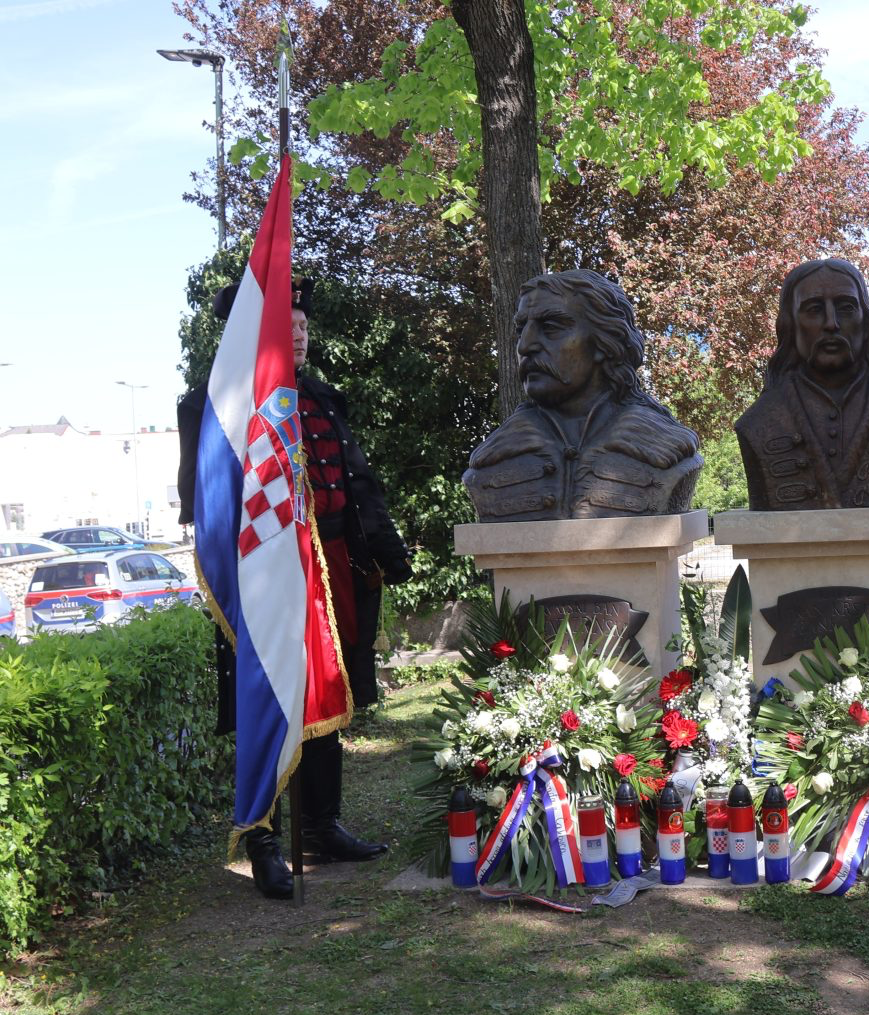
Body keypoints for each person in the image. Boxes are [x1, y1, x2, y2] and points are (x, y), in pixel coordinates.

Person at [178, 276, 413, 898]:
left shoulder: (324, 398)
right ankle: (263, 841)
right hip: (262, 576)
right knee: (265, 702)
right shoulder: (214, 406)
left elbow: (357, 484)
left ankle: (321, 826)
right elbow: (199, 502)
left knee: (327, 690)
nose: (301, 335)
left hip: (330, 565)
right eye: (289, 326)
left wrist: (388, 551)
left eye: (305, 325)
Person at [463, 270, 703, 521]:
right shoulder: (493, 461)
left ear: (605, 341)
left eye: (551, 327)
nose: (525, 346)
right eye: (521, 329)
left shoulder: (664, 448)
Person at [735, 258, 869, 510]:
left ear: (866, 322)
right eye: (814, 309)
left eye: (846, 308)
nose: (831, 323)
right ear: (791, 325)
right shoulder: (759, 422)